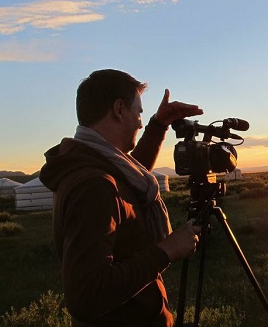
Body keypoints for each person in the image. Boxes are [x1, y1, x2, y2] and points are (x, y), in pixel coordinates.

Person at [39, 69, 203, 326]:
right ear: (119, 109)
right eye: (138, 112)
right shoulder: (94, 185)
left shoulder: (88, 165)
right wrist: (167, 250)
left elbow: (126, 182)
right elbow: (87, 295)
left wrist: (158, 126)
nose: (140, 122)